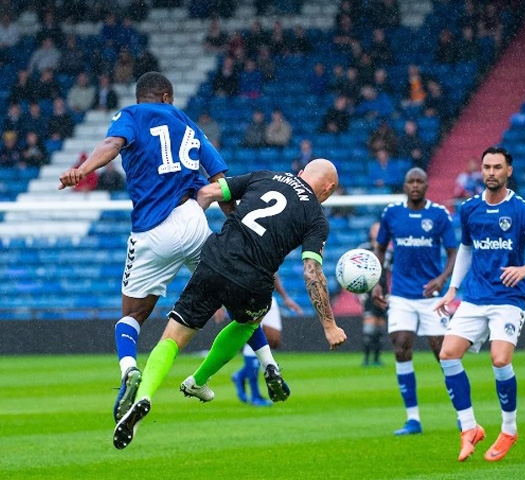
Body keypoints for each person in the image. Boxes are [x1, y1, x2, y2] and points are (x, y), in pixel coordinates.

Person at [112, 159, 347, 450]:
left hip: (215, 259)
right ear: (329, 188)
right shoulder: (316, 217)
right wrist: (329, 325)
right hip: (254, 279)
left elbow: (209, 193)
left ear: (301, 173)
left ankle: (145, 395)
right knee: (248, 323)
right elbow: (312, 271)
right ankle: (199, 379)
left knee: (172, 338)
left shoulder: (265, 173)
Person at [58, 72, 235, 424]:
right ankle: (267, 364)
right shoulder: (188, 124)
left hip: (153, 231)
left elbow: (111, 146)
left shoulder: (133, 115)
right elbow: (221, 182)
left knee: (132, 315)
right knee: (236, 294)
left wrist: (83, 169)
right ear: (168, 97)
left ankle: (128, 370)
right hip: (193, 218)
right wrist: (238, 224)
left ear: (143, 98)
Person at [435, 146, 525, 462]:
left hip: (508, 299)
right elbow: (465, 249)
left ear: (508, 171)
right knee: (448, 354)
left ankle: (509, 429)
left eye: (497, 167)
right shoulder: (470, 209)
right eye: (487, 167)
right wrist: (452, 290)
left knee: (500, 360)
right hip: (475, 297)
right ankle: (469, 428)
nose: (491, 172)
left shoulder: (519, 209)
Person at [370, 167, 457, 435]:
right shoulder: (392, 213)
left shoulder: (439, 215)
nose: (416, 185)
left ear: (427, 185)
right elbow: (380, 248)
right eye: (411, 181)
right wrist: (377, 282)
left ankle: (461, 412)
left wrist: (443, 279)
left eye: (420, 181)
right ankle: (413, 419)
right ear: (405, 185)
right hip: (402, 296)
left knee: (442, 353)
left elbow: (454, 252)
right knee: (401, 347)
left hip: (432, 296)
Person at [230, 273, 303, 406]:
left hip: (267, 296)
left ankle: (241, 375)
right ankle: (255, 395)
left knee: (273, 341)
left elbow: (273, 272)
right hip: (248, 297)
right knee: (252, 335)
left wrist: (285, 297)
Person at [359, 221, 387, 367]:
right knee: (369, 330)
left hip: (384, 292)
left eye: (379, 229)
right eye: (374, 229)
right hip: (368, 292)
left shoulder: (388, 250)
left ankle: (377, 359)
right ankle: (366, 359)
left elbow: (392, 272)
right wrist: (359, 293)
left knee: (380, 330)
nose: (377, 232)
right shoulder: (364, 250)